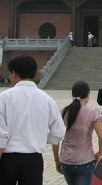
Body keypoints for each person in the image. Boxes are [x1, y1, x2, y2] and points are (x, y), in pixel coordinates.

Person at [0, 55, 65, 185]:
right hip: (34, 160)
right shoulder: (47, 99)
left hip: (8, 159)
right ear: (34, 73)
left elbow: (1, 134)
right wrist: (42, 138)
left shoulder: (4, 97)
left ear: (13, 73)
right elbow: (59, 132)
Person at [53, 81, 102, 185]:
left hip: (66, 161)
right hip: (85, 161)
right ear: (88, 94)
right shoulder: (93, 112)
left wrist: (56, 159)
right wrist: (100, 153)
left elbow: (55, 139)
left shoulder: (63, 112)